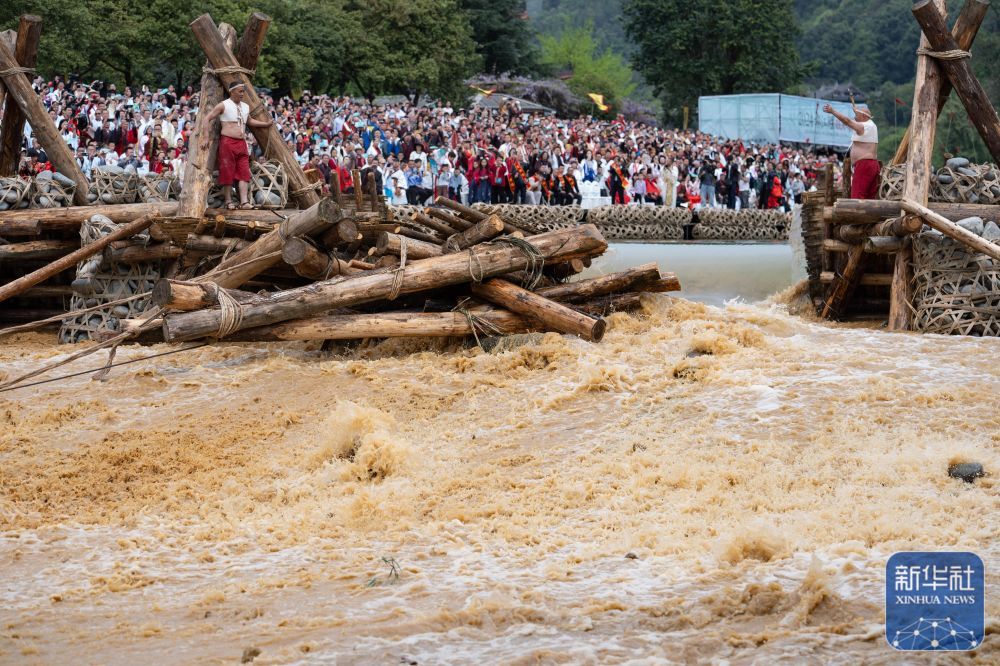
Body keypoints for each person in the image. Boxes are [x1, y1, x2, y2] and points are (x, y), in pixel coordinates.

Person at [200, 82, 274, 209]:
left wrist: (265, 124)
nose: (242, 94)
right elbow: (207, 118)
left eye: (243, 91)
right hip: (228, 142)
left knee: (244, 171)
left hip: (242, 143)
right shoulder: (223, 105)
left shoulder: (245, 106)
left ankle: (244, 202)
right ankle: (229, 201)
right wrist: (205, 137)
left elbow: (249, 121)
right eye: (240, 91)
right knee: (227, 172)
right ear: (232, 91)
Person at [823, 99, 879, 199]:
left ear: (864, 116)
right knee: (869, 197)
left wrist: (833, 111)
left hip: (864, 165)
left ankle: (857, 215)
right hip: (870, 164)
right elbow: (856, 118)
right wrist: (857, 111)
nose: (854, 116)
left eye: (857, 114)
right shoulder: (871, 125)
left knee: (858, 196)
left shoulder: (865, 126)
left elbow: (847, 121)